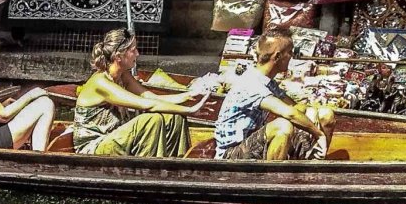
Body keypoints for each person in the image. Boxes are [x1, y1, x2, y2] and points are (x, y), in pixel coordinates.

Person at [73, 28, 207, 157]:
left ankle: (175, 165)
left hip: (115, 138)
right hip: (94, 147)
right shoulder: (101, 82)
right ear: (119, 56)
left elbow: (150, 97)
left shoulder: (123, 75)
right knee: (151, 120)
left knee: (174, 117)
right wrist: (190, 110)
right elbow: (147, 104)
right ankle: (149, 171)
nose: (137, 54)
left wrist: (187, 96)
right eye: (133, 50)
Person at [215, 29, 334, 161]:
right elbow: (290, 113)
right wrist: (318, 134)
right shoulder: (251, 83)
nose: (292, 56)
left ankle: (315, 165)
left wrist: (311, 113)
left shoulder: (268, 82)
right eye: (290, 52)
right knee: (282, 126)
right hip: (231, 154)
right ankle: (272, 178)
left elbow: (295, 107)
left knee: (325, 114)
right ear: (277, 57)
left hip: (253, 144)